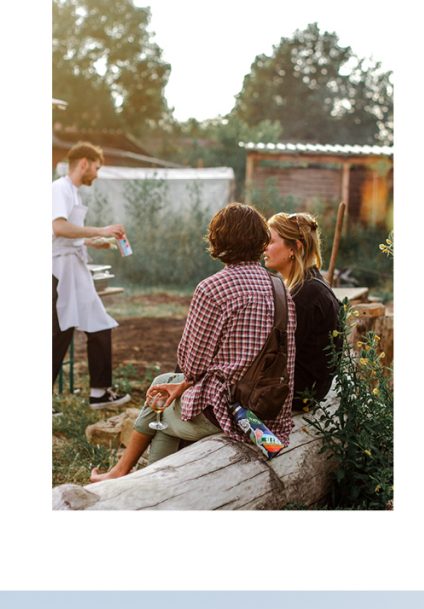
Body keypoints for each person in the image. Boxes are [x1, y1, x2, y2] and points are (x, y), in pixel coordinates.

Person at [90, 203, 296, 480]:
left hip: (229, 414)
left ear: (218, 240)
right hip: (269, 412)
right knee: (165, 390)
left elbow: (192, 365)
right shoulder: (280, 288)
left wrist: (186, 381)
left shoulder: (212, 288)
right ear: (260, 241)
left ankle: (129, 475)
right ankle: (143, 479)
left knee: (159, 402)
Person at [51, 141, 130, 409]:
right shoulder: (59, 189)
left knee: (97, 325)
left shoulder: (72, 192)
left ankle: (99, 392)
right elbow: (59, 228)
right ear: (83, 163)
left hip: (73, 268)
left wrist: (92, 240)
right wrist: (103, 229)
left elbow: (67, 235)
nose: (96, 174)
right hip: (59, 272)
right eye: (96, 168)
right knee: (57, 334)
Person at [263, 211, 341, 411]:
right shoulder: (308, 286)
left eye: (271, 241)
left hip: (298, 396)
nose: (264, 248)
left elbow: (280, 356)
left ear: (294, 248)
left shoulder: (306, 295)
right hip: (304, 391)